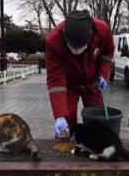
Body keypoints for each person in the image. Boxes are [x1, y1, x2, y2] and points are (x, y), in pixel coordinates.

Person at [45, 10, 115, 140]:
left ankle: (95, 147)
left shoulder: (102, 30)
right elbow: (56, 81)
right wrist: (60, 115)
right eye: (73, 46)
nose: (76, 50)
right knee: (67, 121)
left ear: (90, 36)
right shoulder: (54, 40)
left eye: (80, 46)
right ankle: (63, 147)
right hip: (69, 84)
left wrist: (103, 75)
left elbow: (107, 53)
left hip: (94, 82)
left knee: (96, 120)